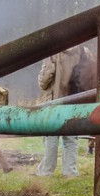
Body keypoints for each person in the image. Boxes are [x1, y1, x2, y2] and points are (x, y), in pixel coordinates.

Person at [35, 45, 94, 177]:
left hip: (55, 102)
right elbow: (91, 74)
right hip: (76, 101)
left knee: (51, 138)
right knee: (71, 138)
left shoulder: (53, 53)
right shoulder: (84, 51)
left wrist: (40, 80)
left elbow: (45, 79)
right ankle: (70, 172)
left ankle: (46, 171)